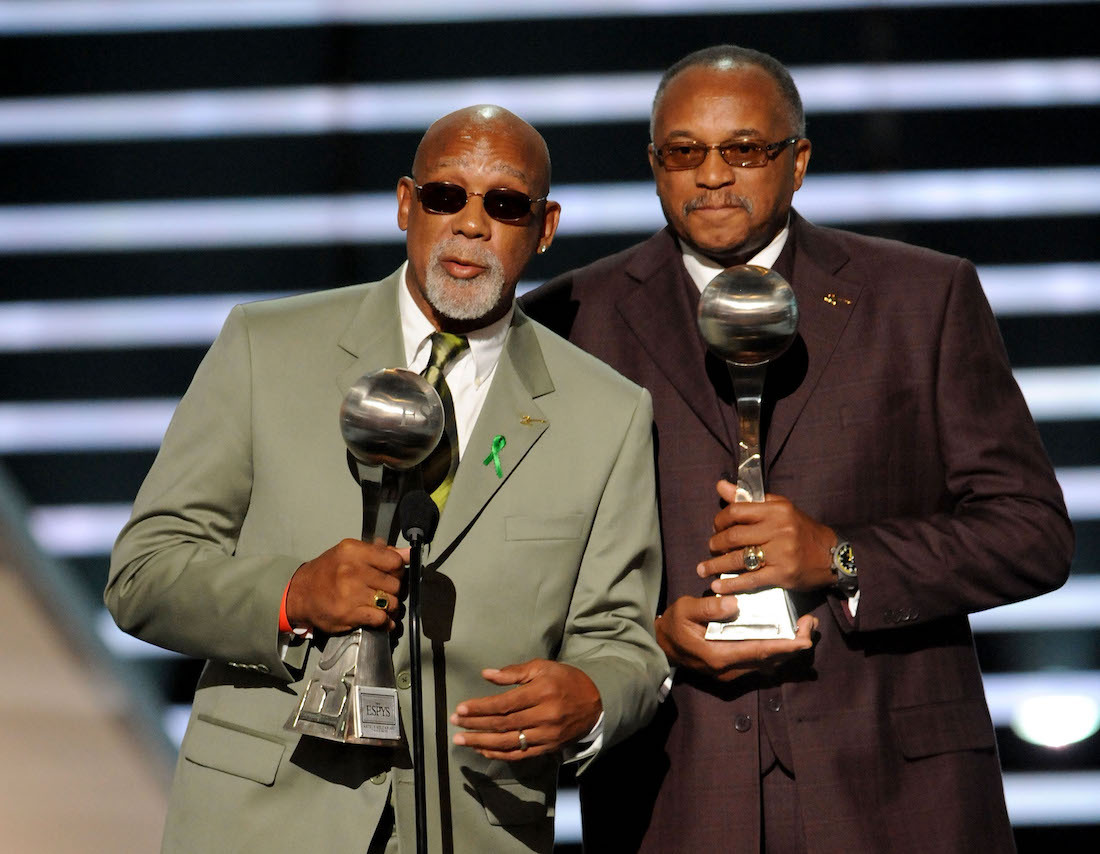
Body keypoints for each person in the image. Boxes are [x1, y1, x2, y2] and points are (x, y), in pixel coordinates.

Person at [522, 45, 1073, 853]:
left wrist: (841, 557)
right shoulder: (569, 323)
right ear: (653, 165)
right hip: (677, 790)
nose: (713, 174)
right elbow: (528, 562)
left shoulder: (921, 298)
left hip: (897, 790)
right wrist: (646, 643)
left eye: (743, 149)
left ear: (799, 160)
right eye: (685, 152)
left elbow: (1031, 533)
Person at [106, 105, 667, 854]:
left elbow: (621, 638)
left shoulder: (607, 413)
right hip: (260, 823)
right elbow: (142, 575)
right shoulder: (265, 349)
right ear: (406, 203)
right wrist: (291, 594)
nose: (471, 224)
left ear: (545, 226)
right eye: (445, 196)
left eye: (503, 204)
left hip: (474, 821)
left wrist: (595, 696)